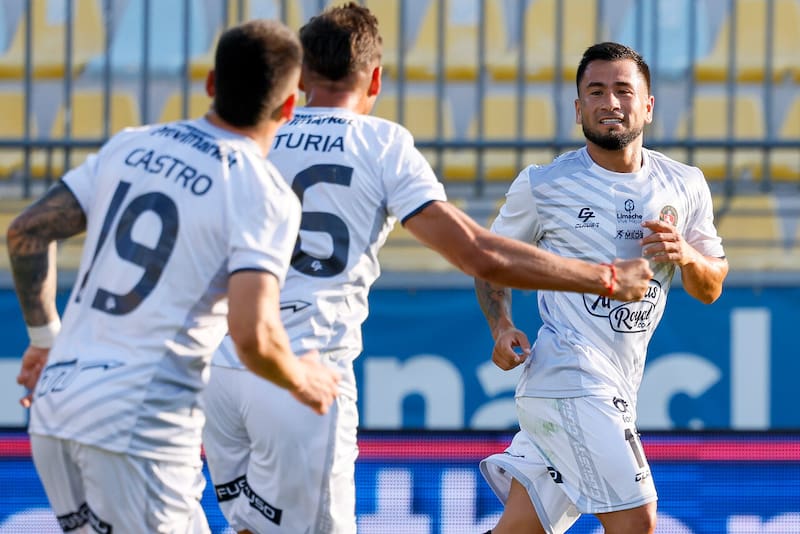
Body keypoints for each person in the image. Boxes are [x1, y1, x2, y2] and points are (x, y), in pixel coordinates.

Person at [200, 8, 654, 534]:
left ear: (300, 78)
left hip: (223, 368)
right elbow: (480, 254)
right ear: (374, 78)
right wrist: (603, 278)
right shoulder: (380, 143)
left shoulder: (257, 137)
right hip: (304, 368)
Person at [6, 19, 340, 534]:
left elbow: (26, 231)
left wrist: (45, 340)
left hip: (57, 406)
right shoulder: (260, 191)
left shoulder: (130, 145)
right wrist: (305, 379)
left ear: (210, 83)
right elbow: (254, 337)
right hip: (136, 424)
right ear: (290, 106)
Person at [475, 41, 729, 534]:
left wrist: (686, 255)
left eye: (622, 90)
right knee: (638, 521)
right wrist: (501, 324)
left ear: (648, 105)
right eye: (596, 91)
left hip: (617, 384)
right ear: (578, 108)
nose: (610, 102)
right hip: (568, 380)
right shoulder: (544, 184)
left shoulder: (686, 184)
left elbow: (710, 286)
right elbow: (489, 261)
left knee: (519, 529)